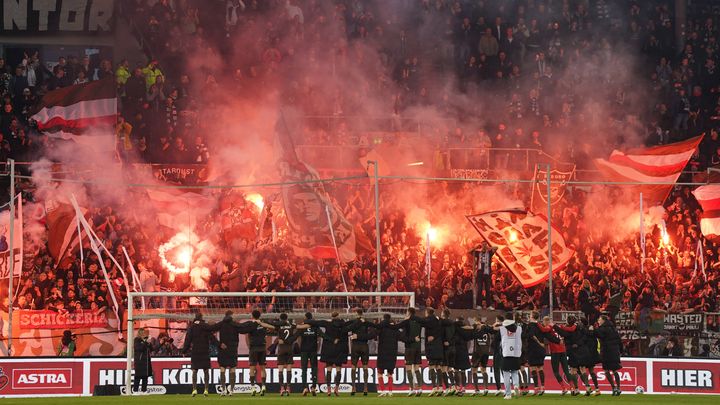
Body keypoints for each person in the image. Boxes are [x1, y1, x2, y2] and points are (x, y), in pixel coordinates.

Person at [305, 312, 350, 396]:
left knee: (329, 369)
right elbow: (353, 324)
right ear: (339, 316)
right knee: (338, 369)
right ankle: (336, 389)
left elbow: (316, 323)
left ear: (331, 317)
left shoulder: (327, 324)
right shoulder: (344, 325)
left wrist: (307, 321)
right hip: (340, 350)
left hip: (329, 350)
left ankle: (328, 390)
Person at [182, 313, 218, 397]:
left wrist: (184, 351)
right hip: (205, 350)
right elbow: (212, 338)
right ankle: (206, 390)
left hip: (195, 351)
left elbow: (188, 340)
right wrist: (219, 345)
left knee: (194, 370)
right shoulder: (205, 326)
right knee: (206, 371)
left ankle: (194, 389)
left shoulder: (191, 327)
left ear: (195, 318)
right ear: (201, 318)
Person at [555, 316, 592, 395]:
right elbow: (586, 336)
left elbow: (563, 333)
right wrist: (579, 343)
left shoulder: (567, 329)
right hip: (582, 350)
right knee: (582, 369)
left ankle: (576, 389)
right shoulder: (581, 327)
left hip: (573, 351)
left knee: (573, 370)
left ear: (568, 321)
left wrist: (555, 326)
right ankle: (588, 387)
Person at [539, 316, 576, 395]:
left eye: (543, 322)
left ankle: (564, 388)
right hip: (563, 350)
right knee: (566, 370)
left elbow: (544, 330)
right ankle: (572, 388)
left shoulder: (548, 327)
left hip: (555, 352)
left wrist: (537, 324)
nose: (543, 324)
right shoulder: (558, 326)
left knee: (556, 371)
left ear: (546, 321)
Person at [208, 310, 243, 396]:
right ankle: (231, 390)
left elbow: (209, 332)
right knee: (232, 369)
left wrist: (218, 344)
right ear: (231, 315)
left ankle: (223, 390)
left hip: (223, 349)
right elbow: (244, 328)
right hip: (232, 349)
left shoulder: (221, 324)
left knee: (222, 369)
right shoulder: (235, 324)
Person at [369, 313, 402, 397]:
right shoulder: (395, 329)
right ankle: (390, 392)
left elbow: (373, 335)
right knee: (390, 373)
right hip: (392, 353)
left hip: (382, 353)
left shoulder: (381, 328)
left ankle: (383, 391)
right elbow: (403, 337)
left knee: (380, 373)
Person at [591, 315, 623, 396]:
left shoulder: (603, 329)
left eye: (599, 319)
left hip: (606, 351)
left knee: (606, 370)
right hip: (615, 351)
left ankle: (613, 388)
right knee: (615, 370)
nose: (598, 321)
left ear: (603, 320)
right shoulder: (613, 329)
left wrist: (592, 330)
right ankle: (618, 388)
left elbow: (597, 334)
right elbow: (619, 340)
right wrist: (621, 350)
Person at [495, 314, 522, 400]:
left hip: (506, 353)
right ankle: (516, 385)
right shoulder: (519, 329)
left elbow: (496, 340)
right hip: (516, 353)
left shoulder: (502, 329)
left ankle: (508, 394)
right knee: (515, 372)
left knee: (506, 374)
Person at [346, 309, 373, 396]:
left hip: (355, 346)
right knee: (365, 367)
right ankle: (365, 388)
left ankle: (354, 387)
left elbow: (346, 328)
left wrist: (356, 336)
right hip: (364, 346)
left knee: (353, 367)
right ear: (362, 314)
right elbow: (371, 335)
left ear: (356, 314)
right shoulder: (366, 322)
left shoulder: (353, 322)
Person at [296, 312, 322, 396]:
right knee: (314, 369)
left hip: (304, 350)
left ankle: (305, 388)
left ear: (306, 318)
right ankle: (313, 387)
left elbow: (296, 335)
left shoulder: (302, 327)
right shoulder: (315, 326)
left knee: (304, 369)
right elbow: (321, 334)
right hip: (313, 350)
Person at [524, 311, 547, 395]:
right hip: (541, 349)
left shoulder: (530, 325)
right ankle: (543, 387)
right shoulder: (540, 325)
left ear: (532, 316)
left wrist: (538, 342)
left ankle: (536, 388)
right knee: (540, 368)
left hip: (533, 349)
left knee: (533, 368)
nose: (529, 316)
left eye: (530, 315)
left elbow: (531, 335)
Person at [470, 242, 498, 309]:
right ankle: (479, 305)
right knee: (479, 289)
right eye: (483, 244)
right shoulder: (478, 252)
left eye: (485, 244)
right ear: (481, 245)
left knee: (488, 290)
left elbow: (496, 247)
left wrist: (488, 248)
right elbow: (470, 251)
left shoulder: (489, 253)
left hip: (487, 274)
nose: (484, 246)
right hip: (480, 274)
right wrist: (476, 247)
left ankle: (488, 305)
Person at [470, 318, 493, 396]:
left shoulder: (476, 329)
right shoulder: (487, 331)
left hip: (477, 352)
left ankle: (476, 390)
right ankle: (486, 388)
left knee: (474, 370)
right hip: (485, 352)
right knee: (484, 370)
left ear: (478, 322)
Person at [132, 328, 152, 394]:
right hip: (139, 362)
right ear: (140, 333)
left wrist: (150, 343)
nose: (144, 334)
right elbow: (139, 348)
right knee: (138, 376)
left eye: (145, 332)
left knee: (145, 377)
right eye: (143, 332)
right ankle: (135, 390)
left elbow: (152, 349)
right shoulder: (137, 340)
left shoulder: (146, 341)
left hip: (146, 362)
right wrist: (145, 342)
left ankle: (144, 390)